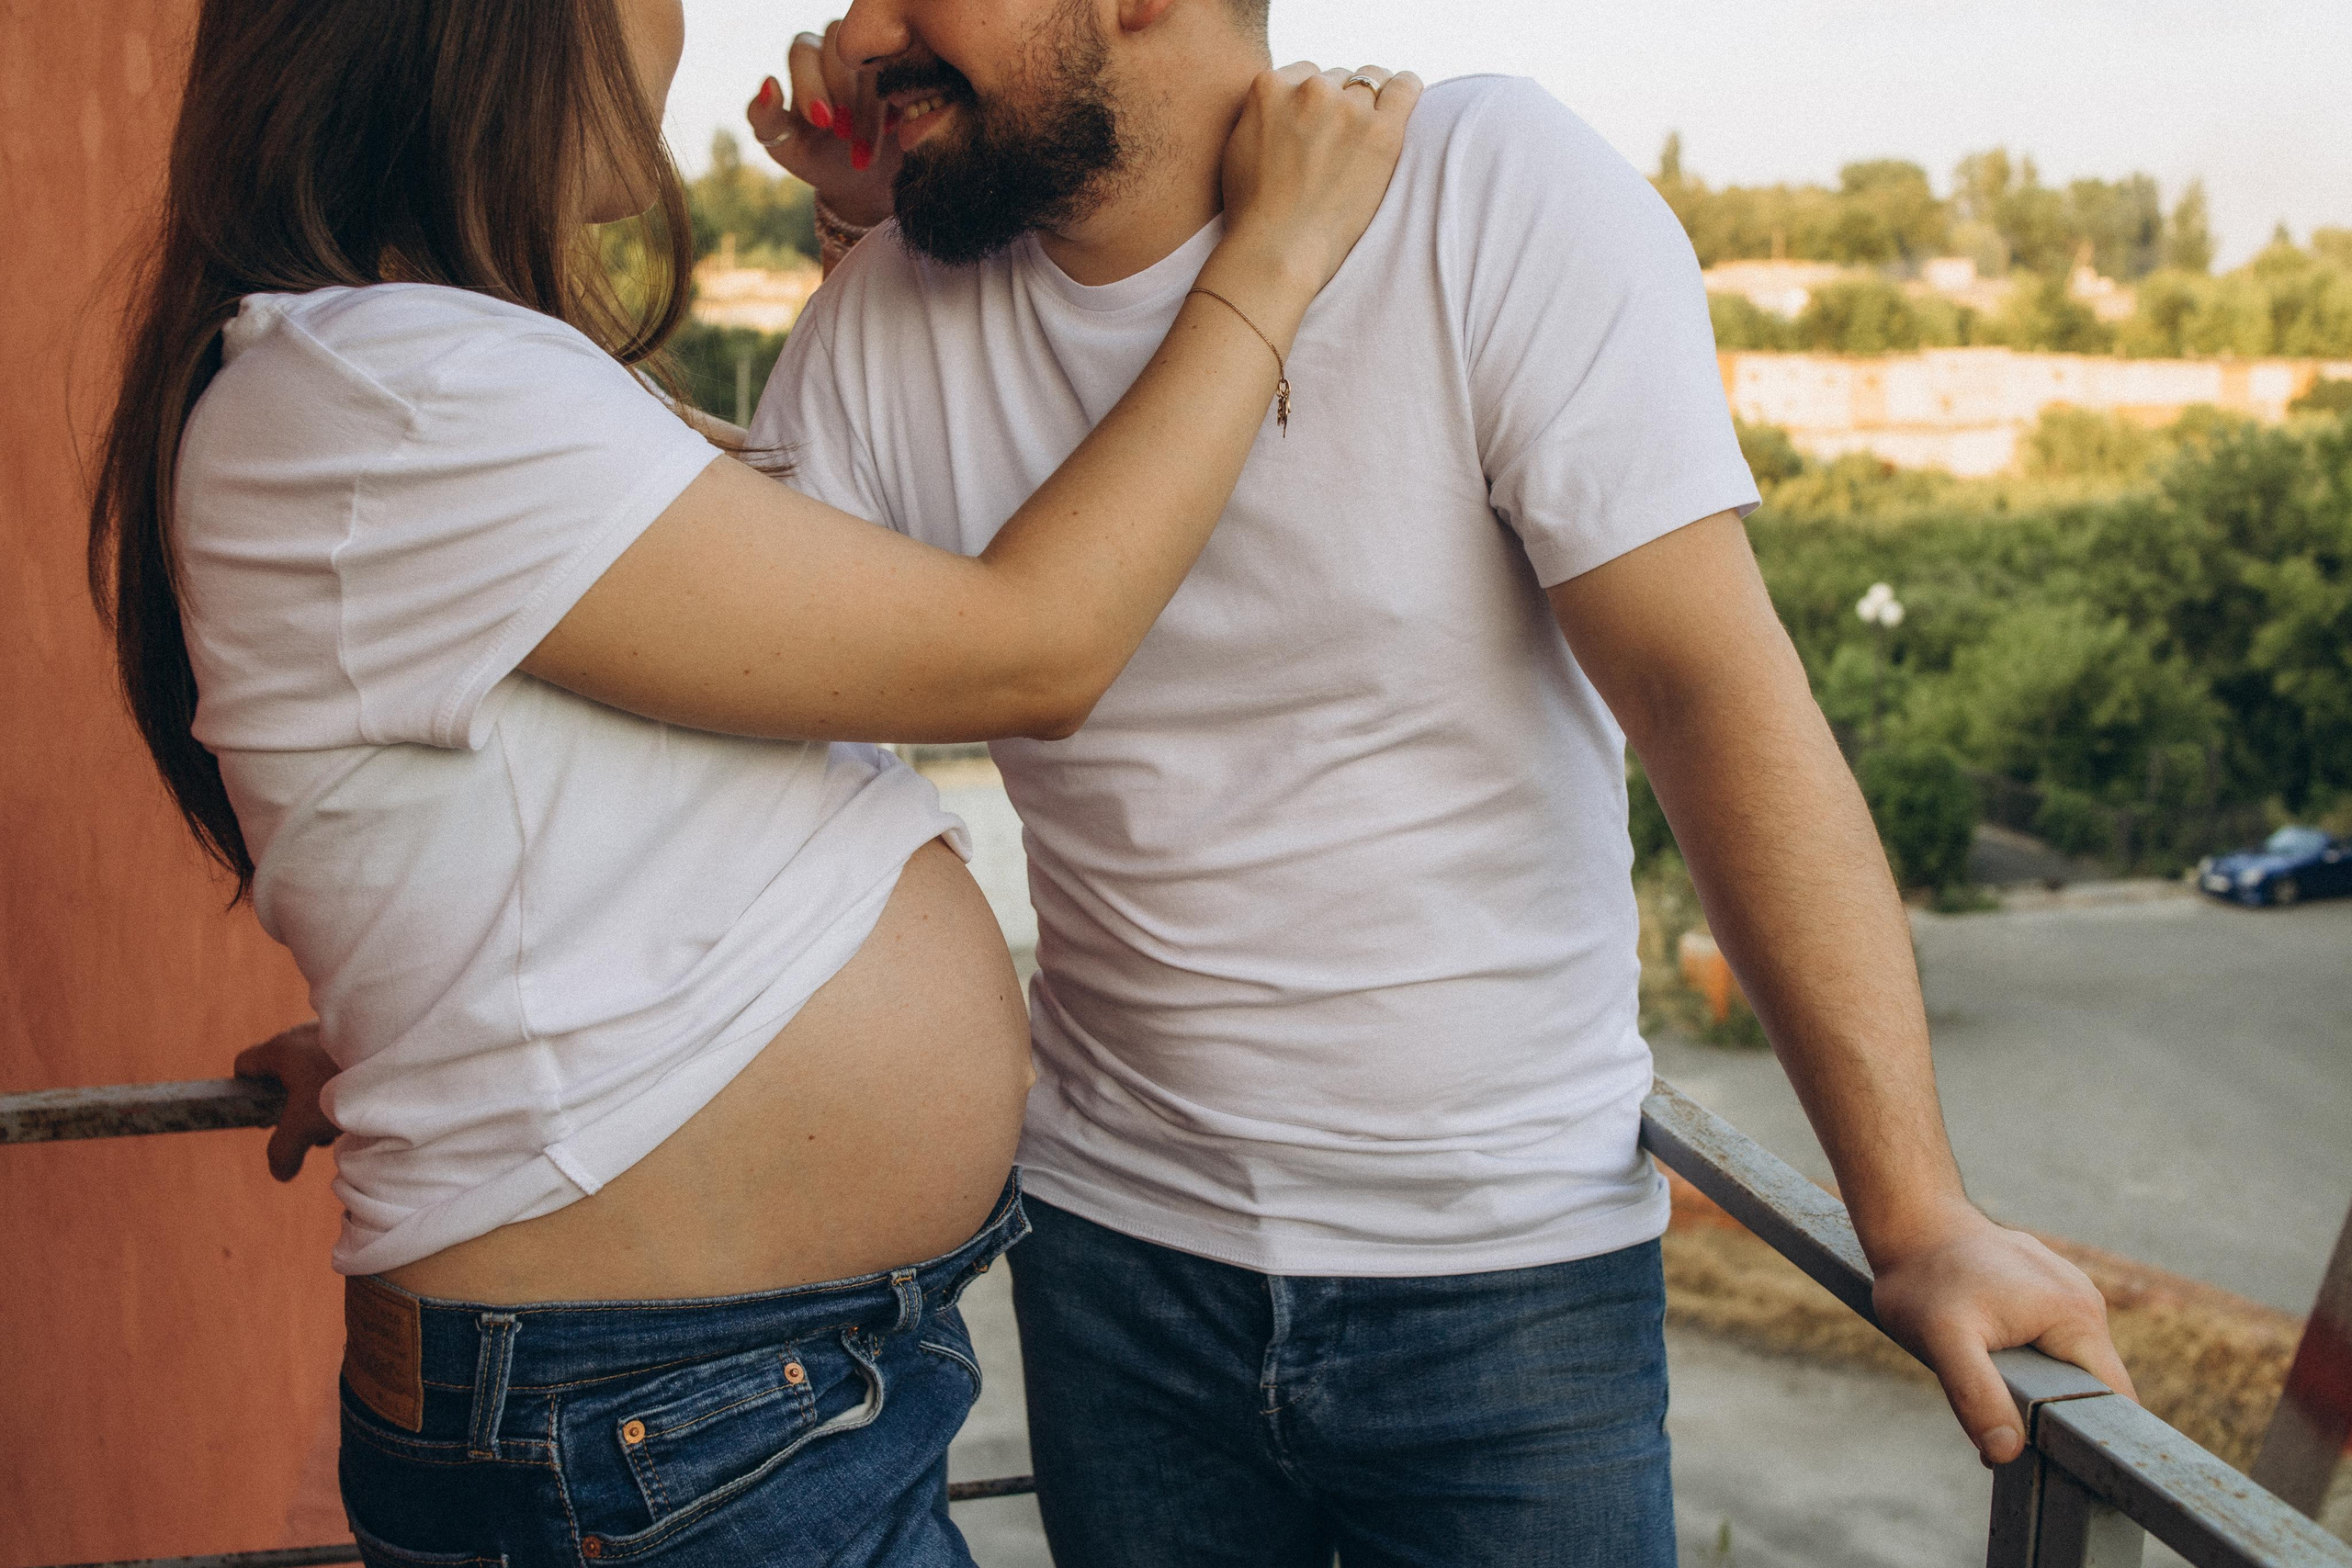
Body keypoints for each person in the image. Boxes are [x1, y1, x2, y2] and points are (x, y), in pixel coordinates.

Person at [747, 4, 2140, 1565]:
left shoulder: (1485, 192)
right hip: (1110, 1266)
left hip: (1508, 1282)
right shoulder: (879, 320)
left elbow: (1707, 698)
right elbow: (757, 731)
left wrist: (1918, 1218)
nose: (854, 29)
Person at [88, 0, 1418, 1560]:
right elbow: (1031, 648)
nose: (681, 25)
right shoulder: (399, 390)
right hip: (659, 1422)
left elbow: (671, 734)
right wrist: (1274, 256)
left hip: (699, 1405)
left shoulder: (397, 376)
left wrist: (437, 1032)